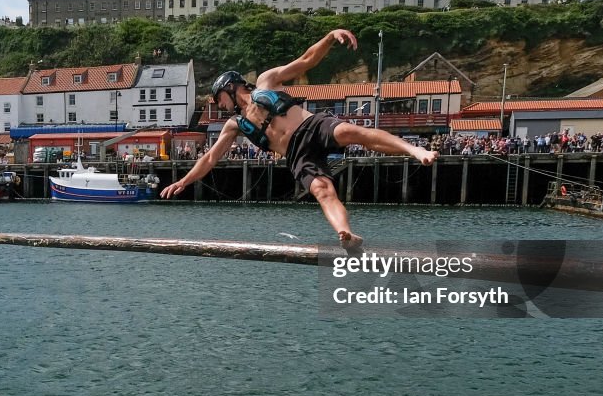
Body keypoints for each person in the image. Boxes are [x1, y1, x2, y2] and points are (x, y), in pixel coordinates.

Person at [160, 28, 438, 250]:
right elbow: (210, 158)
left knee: (351, 132)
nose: (218, 105)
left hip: (311, 126)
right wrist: (184, 181)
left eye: (218, 97)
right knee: (322, 190)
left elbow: (307, 60)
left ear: (230, 87)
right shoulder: (235, 125)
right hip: (296, 155)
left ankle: (413, 150)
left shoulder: (266, 82)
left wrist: (330, 37)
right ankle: (347, 233)